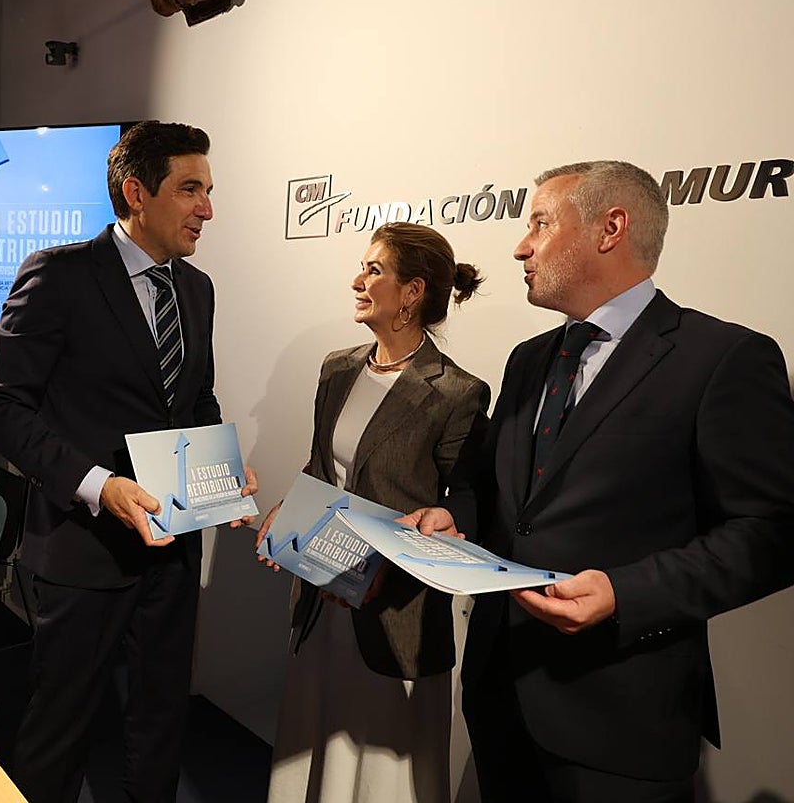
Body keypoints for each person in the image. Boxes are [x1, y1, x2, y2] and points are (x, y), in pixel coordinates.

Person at [404, 160, 794, 802]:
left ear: (611, 227)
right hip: (502, 694)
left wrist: (624, 592)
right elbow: (500, 492)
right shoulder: (530, 359)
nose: (519, 246)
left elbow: (772, 532)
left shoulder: (722, 358)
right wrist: (458, 519)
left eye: (540, 224)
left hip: (622, 717)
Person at [0, 120, 256, 803]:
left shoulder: (198, 288)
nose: (207, 209)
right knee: (59, 730)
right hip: (81, 550)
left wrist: (218, 471)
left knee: (161, 723)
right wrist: (101, 487)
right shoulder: (59, 275)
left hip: (171, 547)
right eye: (191, 189)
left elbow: (194, 398)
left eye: (209, 191)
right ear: (136, 191)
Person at [257, 222, 490, 803]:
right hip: (322, 592)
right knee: (312, 738)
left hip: (394, 607)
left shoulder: (458, 392)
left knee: (380, 763)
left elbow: (462, 505)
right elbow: (321, 469)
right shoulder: (338, 368)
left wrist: (395, 558)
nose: (357, 281)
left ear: (411, 293)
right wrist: (286, 513)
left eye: (374, 270)